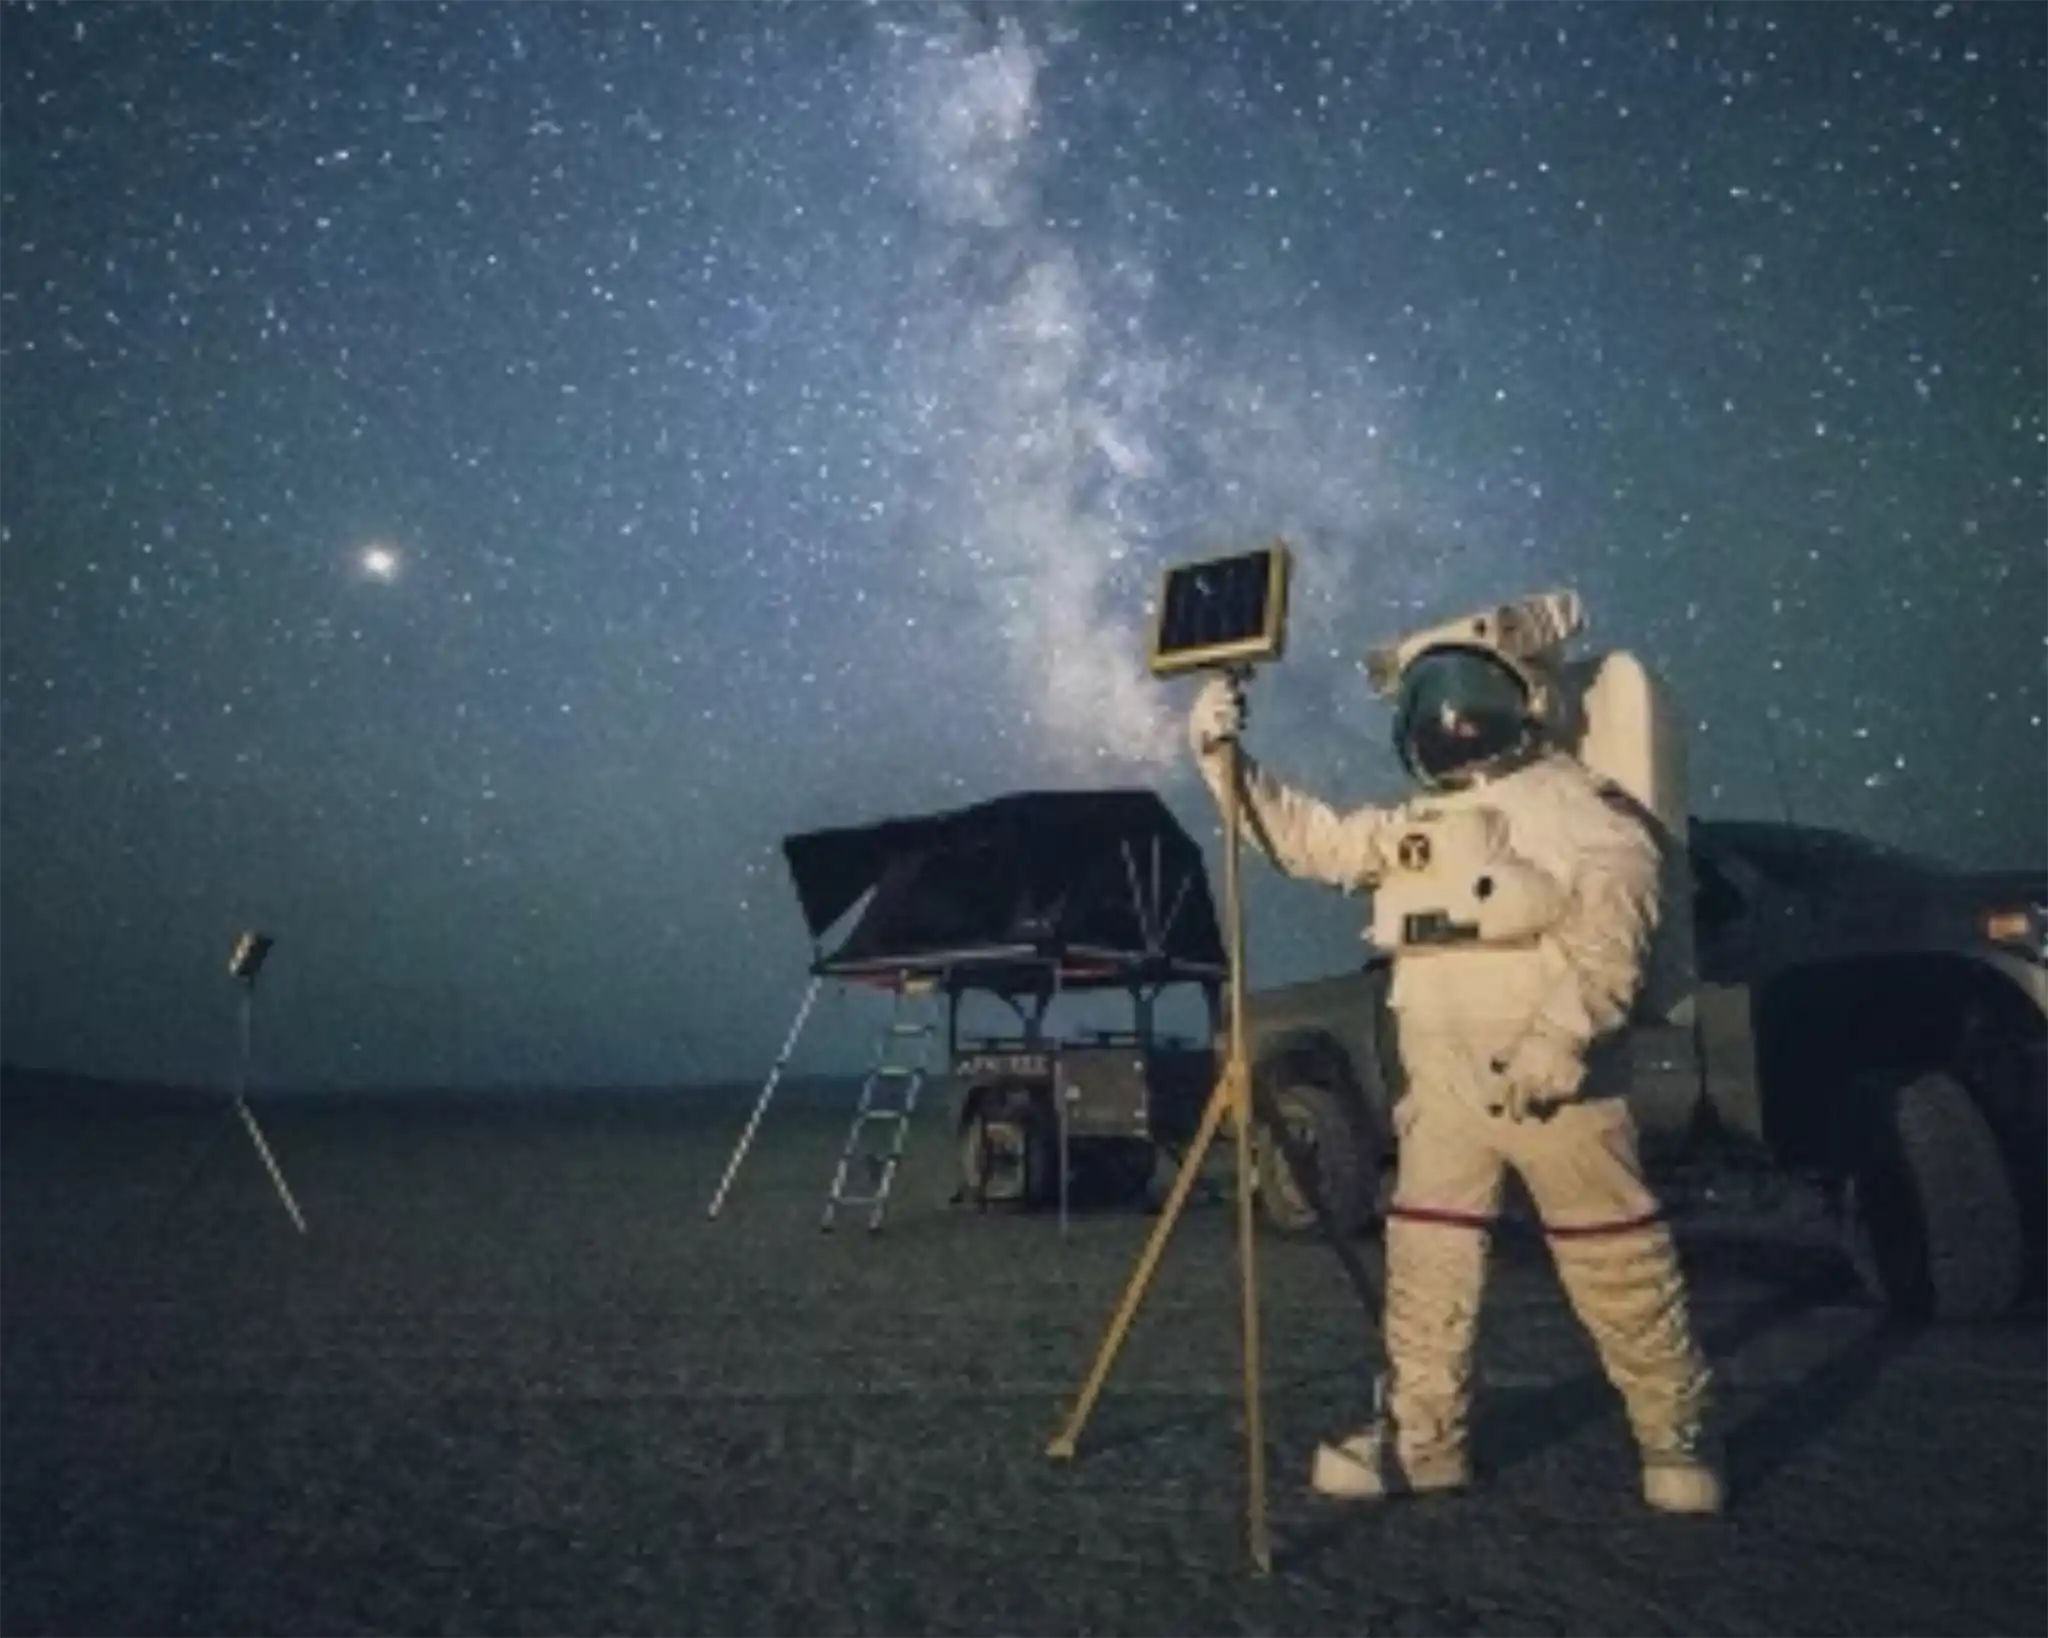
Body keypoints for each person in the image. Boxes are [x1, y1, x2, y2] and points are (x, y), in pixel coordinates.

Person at [1185, 610, 1722, 1516]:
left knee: (1617, 1267)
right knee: (1429, 1272)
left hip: (1557, 1088)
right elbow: (1309, 842)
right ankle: (1426, 1442)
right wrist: (1224, 762)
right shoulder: (1419, 825)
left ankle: (1676, 1441)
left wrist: (1559, 1042)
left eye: (1469, 695)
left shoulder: (1581, 808)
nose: (1450, 718)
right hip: (1442, 1095)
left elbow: (1610, 937)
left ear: (1531, 700)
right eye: (1431, 699)